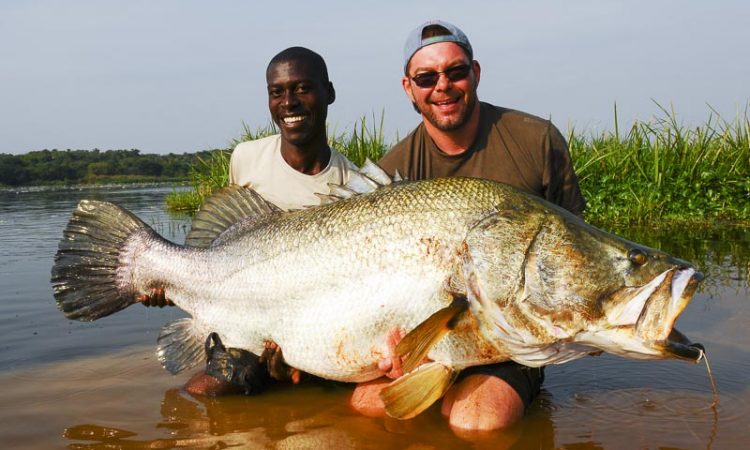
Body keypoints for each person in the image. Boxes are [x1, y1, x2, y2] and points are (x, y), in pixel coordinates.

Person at [352, 20, 586, 432]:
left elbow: (574, 253)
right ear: (409, 87)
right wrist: (393, 349)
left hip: (507, 340)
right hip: (428, 336)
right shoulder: (394, 169)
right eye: (426, 77)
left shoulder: (536, 141)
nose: (442, 85)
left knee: (477, 421)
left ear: (475, 73)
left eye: (454, 72)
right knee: (368, 406)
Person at [142, 46, 357, 396]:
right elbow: (218, 240)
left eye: (302, 88)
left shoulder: (353, 184)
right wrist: (174, 283)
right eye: (278, 92)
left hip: (311, 324)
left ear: (328, 92)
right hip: (243, 314)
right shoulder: (247, 158)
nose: (289, 102)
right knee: (206, 390)